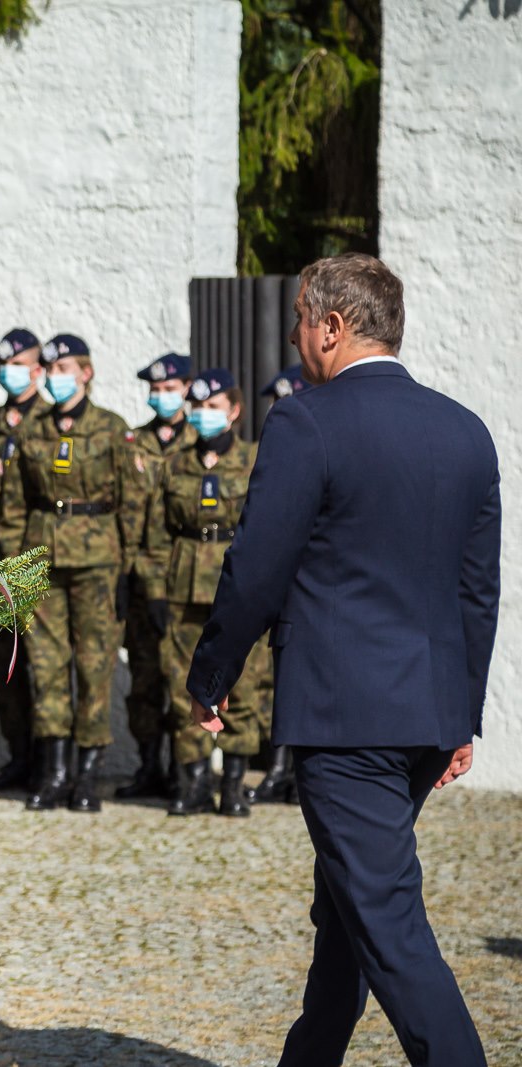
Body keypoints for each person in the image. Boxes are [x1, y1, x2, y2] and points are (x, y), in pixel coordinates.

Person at [188, 254, 497, 1067]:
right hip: (425, 715)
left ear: (332, 326)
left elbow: (256, 567)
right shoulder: (466, 430)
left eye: (299, 319)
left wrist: (210, 676)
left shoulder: (307, 421)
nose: (294, 335)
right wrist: (463, 713)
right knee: (349, 914)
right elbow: (477, 591)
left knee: (387, 922)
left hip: (347, 720)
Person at [0, 333, 144, 814]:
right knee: (46, 664)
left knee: (94, 664)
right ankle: (54, 770)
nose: (57, 378)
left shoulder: (111, 429)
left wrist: (128, 570)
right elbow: (15, 502)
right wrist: (13, 566)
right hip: (43, 557)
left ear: (86, 373)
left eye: (65, 370)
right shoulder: (32, 430)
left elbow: (131, 503)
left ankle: (88, 773)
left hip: (98, 561)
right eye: (51, 370)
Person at [140, 368, 268, 816]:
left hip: (238, 588)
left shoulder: (255, 460)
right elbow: (155, 535)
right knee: (182, 684)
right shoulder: (174, 463)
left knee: (244, 682)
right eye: (197, 408)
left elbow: (269, 531)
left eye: (213, 407)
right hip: (183, 583)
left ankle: (232, 783)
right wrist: (155, 590)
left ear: (234, 411)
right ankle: (192, 780)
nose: (202, 415)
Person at [115, 353, 197, 801]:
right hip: (139, 574)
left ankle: (187, 773)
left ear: (187, 388)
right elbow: (124, 513)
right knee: (144, 680)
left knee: (182, 680)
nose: (161, 396)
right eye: (155, 389)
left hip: (185, 579)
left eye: (169, 389)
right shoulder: (134, 443)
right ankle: (149, 766)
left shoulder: (199, 441)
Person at [0, 327, 48, 793]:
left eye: (19, 363)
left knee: (43, 663)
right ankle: (19, 756)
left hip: (36, 559)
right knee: (3, 663)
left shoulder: (51, 422)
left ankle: (48, 761)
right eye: (4, 364)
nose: (10, 372)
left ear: (38, 369)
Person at [245, 363, 312, 806]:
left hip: (309, 582)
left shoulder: (322, 449)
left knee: (300, 676)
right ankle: (277, 767)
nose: (279, 411)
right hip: (276, 578)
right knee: (271, 675)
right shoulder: (265, 452)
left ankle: (295, 770)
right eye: (276, 403)